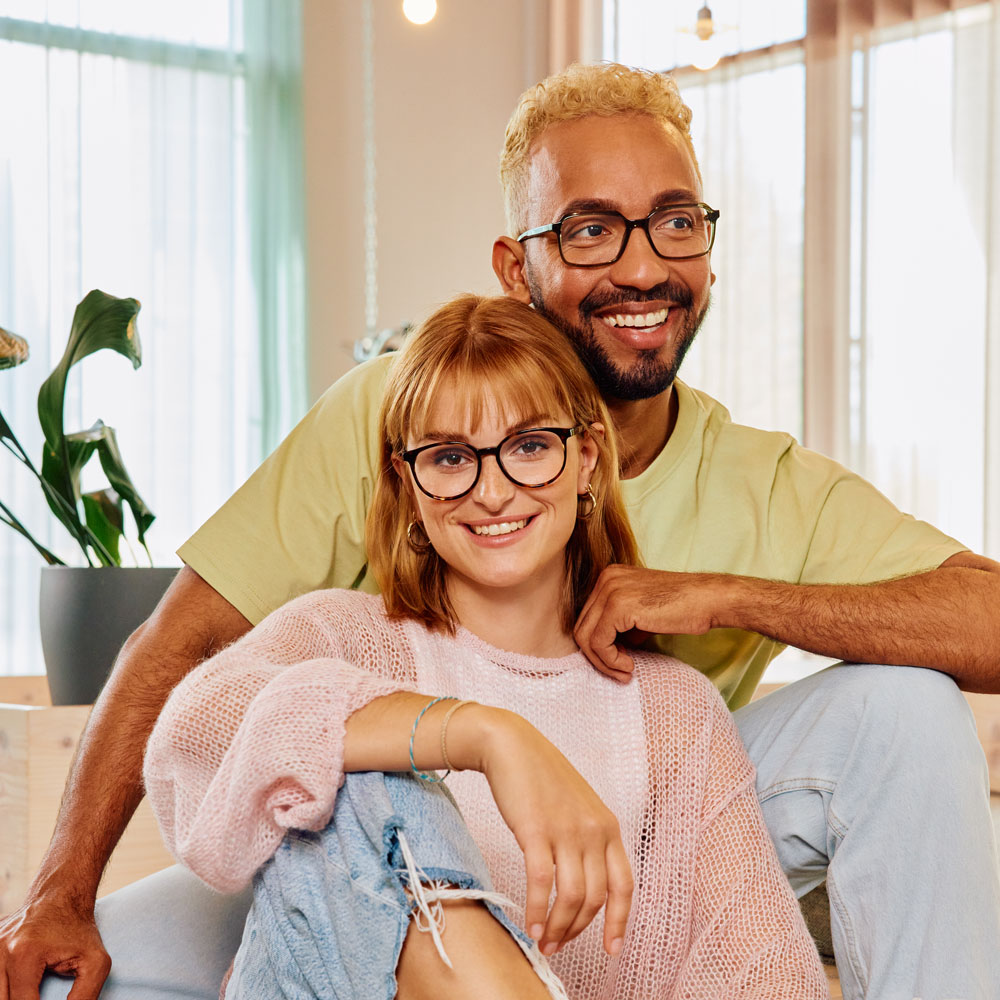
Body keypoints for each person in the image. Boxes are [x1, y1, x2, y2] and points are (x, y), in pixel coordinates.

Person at [3, 61, 998, 1000]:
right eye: (589, 231)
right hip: (358, 835)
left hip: (628, 844)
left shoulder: (720, 603)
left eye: (674, 223)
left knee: (903, 710)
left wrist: (716, 594)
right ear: (515, 267)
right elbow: (184, 660)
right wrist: (59, 889)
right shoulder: (395, 416)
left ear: (585, 463)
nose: (641, 267)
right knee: (347, 796)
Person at [141, 293, 829, 999]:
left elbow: (767, 976)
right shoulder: (339, 638)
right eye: (449, 457)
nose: (493, 492)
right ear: (407, 483)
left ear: (588, 458)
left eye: (531, 446)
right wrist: (484, 735)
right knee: (360, 771)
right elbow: (192, 731)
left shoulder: (676, 712)